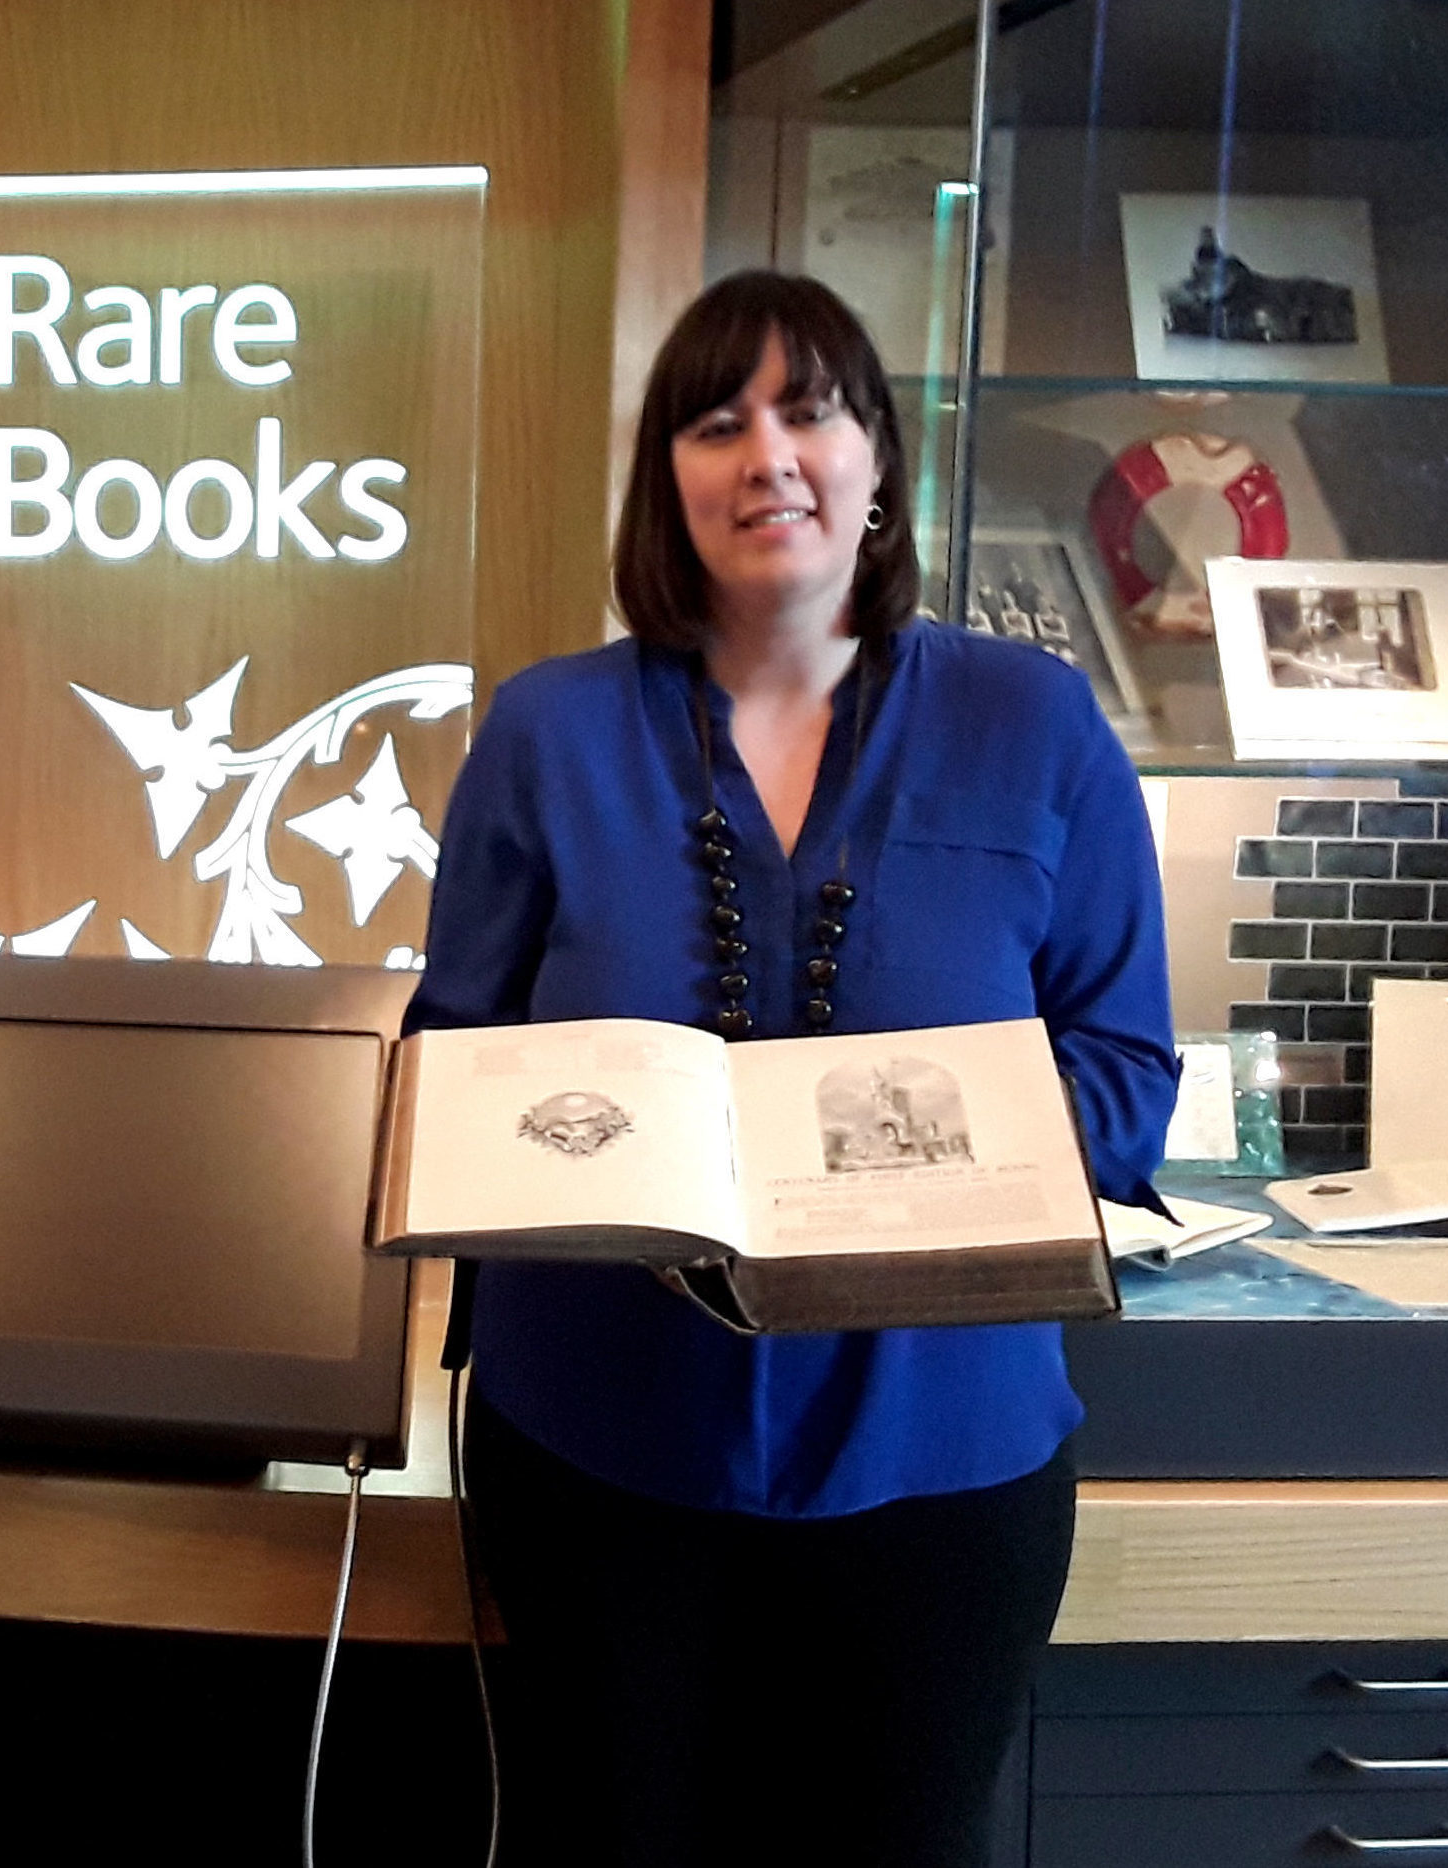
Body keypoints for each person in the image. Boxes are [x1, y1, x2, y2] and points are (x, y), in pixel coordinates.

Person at [409, 272, 1175, 1866]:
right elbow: (453, 1064)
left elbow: (1121, 1075)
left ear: (878, 458)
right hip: (597, 1453)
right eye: (714, 419)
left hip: (942, 1469)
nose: (766, 452)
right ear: (667, 481)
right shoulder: (542, 732)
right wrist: (563, 1149)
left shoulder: (1034, 724)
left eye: (808, 407)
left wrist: (885, 1168)